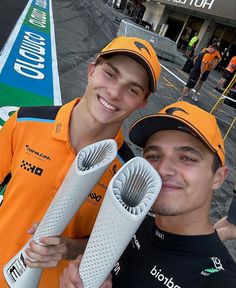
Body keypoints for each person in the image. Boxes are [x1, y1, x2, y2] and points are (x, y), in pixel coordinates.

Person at [0, 35, 161, 288]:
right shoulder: (24, 122)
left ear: (142, 102)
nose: (114, 93)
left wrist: (67, 247)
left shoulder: (127, 175)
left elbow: (108, 245)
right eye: (110, 74)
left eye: (132, 89)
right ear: (91, 70)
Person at [60, 101, 236, 287]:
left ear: (218, 177)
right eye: (153, 156)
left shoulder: (219, 280)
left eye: (187, 158)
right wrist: (67, 250)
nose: (163, 170)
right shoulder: (136, 220)